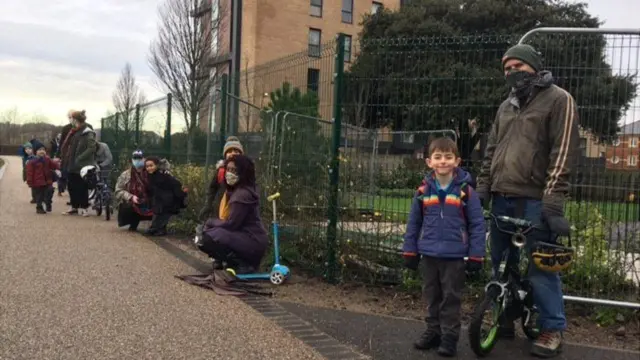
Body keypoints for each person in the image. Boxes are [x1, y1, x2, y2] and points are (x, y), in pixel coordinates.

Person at [475, 44, 579, 358]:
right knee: (500, 265)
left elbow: (562, 153)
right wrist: (483, 186)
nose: (511, 73)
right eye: (506, 69)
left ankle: (551, 328)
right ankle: (504, 317)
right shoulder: (505, 106)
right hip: (502, 197)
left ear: (533, 66)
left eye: (517, 66)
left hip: (536, 200)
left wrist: (553, 200)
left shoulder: (559, 100)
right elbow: (491, 150)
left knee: (541, 269)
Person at [402, 137, 485, 357]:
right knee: (431, 296)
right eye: (438, 157)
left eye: (448, 157)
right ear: (429, 162)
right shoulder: (423, 191)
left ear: (457, 161)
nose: (443, 161)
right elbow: (414, 223)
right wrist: (409, 250)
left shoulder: (466, 191)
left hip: (454, 255)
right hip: (428, 253)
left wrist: (476, 255)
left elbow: (477, 224)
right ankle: (433, 331)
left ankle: (449, 337)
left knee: (451, 298)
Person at [198, 155, 269, 275]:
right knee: (208, 234)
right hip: (250, 238)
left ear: (243, 172)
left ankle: (244, 264)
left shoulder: (242, 194)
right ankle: (236, 262)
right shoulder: (237, 190)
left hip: (252, 240)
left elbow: (232, 223)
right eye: (228, 169)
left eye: (234, 170)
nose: (229, 173)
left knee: (207, 238)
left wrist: (210, 222)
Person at [199, 136, 244, 221]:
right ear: (225, 155)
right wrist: (208, 205)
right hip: (220, 209)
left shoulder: (246, 171)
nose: (233, 153)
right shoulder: (221, 171)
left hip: (239, 210)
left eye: (236, 151)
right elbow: (212, 189)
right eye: (229, 151)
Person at [62, 110, 97, 216]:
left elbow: (92, 147)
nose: (70, 120)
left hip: (82, 165)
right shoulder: (73, 131)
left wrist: (80, 158)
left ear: (76, 119)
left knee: (82, 186)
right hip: (72, 163)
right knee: (71, 185)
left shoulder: (87, 132)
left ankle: (84, 207)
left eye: (71, 118)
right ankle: (74, 206)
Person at [144, 156, 187, 236]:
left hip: (169, 201)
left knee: (163, 214)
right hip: (160, 201)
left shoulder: (163, 175)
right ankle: (157, 228)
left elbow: (175, 184)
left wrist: (182, 194)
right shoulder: (151, 175)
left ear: (156, 165)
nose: (149, 168)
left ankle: (157, 228)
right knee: (158, 214)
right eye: (147, 166)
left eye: (151, 166)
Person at [114, 150, 153, 231]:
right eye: (135, 158)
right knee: (128, 205)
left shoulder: (151, 172)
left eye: (140, 158)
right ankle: (133, 222)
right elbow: (118, 191)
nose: (137, 161)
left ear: (144, 159)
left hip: (150, 200)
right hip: (134, 201)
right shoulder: (125, 175)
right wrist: (131, 197)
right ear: (132, 160)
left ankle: (157, 225)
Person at [26, 143, 59, 214]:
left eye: (43, 150)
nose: (42, 151)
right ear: (35, 152)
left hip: (47, 180)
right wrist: (30, 182)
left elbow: (53, 165)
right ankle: (39, 208)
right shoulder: (32, 161)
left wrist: (58, 165)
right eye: (39, 150)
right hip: (37, 182)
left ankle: (48, 202)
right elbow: (29, 173)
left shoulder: (47, 159)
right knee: (39, 196)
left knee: (50, 191)